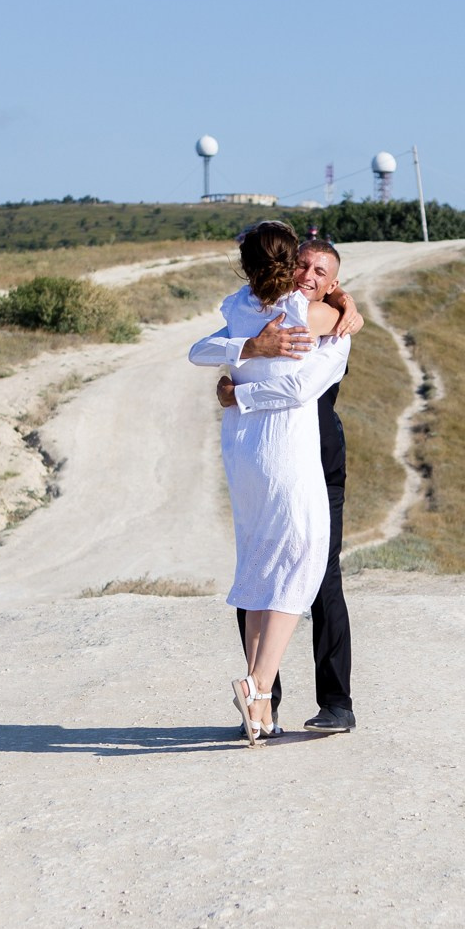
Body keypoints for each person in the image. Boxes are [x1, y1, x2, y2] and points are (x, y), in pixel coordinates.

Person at [186, 222, 352, 742]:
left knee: (266, 567)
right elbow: (301, 386)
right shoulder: (307, 313)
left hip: (261, 450)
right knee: (299, 564)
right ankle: (260, 688)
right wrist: (254, 351)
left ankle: (276, 709)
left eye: (320, 272)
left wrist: (242, 377)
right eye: (302, 264)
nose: (308, 275)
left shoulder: (244, 303)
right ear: (289, 262)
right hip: (284, 452)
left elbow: (200, 351)